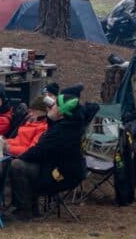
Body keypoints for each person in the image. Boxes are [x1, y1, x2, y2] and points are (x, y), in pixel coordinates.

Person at [9, 88, 94, 219]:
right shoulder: (71, 124)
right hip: (64, 168)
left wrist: (16, 155)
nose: (50, 107)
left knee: (17, 165)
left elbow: (39, 151)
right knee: (27, 163)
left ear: (61, 112)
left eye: (54, 105)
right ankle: (31, 207)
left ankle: (24, 209)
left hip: (61, 175)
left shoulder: (62, 131)